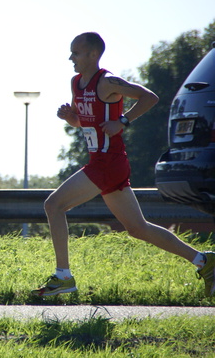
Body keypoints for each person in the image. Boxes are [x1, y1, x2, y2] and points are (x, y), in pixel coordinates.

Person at [32, 32, 214, 298]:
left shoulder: (107, 82)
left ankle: (63, 276)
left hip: (108, 163)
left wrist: (124, 121)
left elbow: (149, 97)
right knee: (137, 228)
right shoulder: (76, 83)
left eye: (76, 52)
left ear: (93, 54)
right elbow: (82, 122)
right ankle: (204, 261)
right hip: (103, 163)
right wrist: (70, 117)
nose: (71, 57)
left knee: (53, 205)